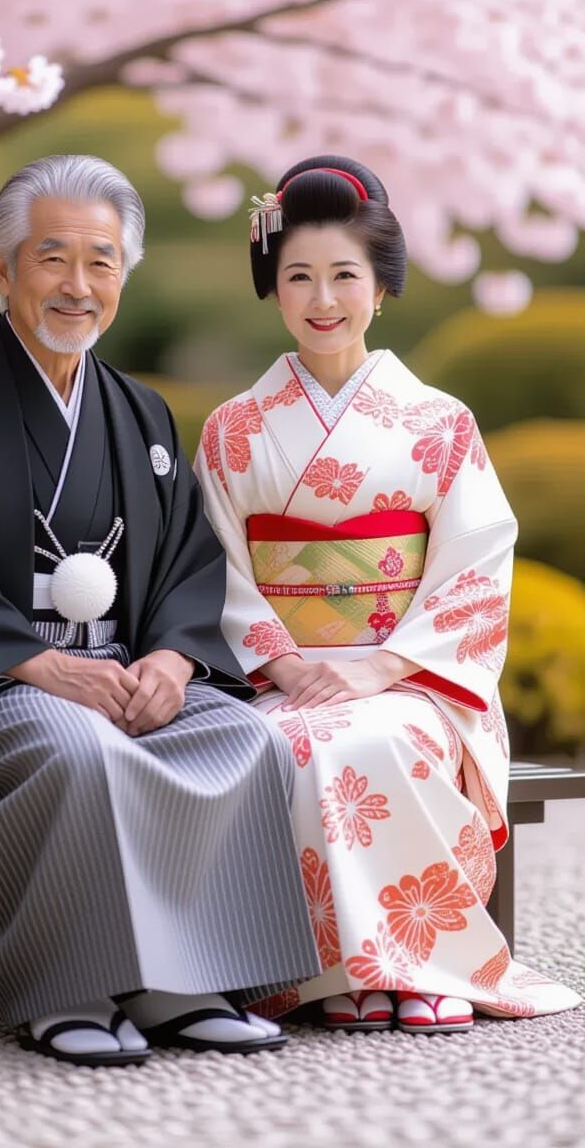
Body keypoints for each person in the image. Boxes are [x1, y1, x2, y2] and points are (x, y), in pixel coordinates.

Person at [0, 154, 320, 1068]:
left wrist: (173, 663)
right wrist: (37, 665)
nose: (77, 284)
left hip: (121, 671)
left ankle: (185, 982)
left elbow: (188, 560)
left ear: (124, 275)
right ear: (3, 268)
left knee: (245, 738)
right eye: (51, 257)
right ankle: (68, 991)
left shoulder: (138, 415)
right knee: (81, 746)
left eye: (101, 261)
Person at [194, 155, 581, 1033]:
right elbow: (211, 566)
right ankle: (331, 974)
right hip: (281, 680)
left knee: (378, 740)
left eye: (344, 276)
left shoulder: (440, 421)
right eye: (298, 276)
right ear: (274, 289)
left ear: (381, 290)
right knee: (284, 747)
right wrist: (286, 666)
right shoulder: (233, 429)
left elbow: (479, 556)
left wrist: (382, 667)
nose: (321, 298)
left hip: (410, 675)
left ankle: (421, 960)